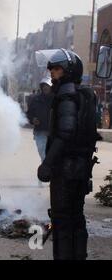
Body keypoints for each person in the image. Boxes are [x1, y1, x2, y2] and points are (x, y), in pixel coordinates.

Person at [36, 49, 101, 260]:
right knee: (76, 219)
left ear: (69, 71)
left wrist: (47, 164)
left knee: (63, 221)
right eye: (52, 69)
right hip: (80, 169)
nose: (52, 73)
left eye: (57, 69)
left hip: (66, 170)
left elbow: (65, 132)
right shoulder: (82, 94)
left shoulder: (67, 95)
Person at [27, 77, 53, 185]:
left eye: (48, 86)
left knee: (51, 156)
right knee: (43, 155)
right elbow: (28, 114)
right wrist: (33, 119)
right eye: (44, 86)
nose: (46, 88)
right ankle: (42, 177)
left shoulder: (56, 99)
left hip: (52, 133)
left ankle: (49, 177)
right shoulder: (35, 100)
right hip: (39, 133)